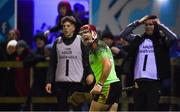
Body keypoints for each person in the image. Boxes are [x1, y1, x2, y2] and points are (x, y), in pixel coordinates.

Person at [119, 15, 177, 110]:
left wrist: (160, 25)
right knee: (137, 108)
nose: (148, 26)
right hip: (138, 81)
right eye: (146, 25)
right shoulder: (138, 39)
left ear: (156, 26)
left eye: (151, 24)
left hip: (154, 82)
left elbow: (173, 38)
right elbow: (124, 34)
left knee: (152, 109)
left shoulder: (161, 41)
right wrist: (138, 22)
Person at [45, 16, 94, 111]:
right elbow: (52, 64)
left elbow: (88, 59)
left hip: (77, 82)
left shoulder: (80, 40)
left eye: (68, 26)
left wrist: (90, 73)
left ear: (73, 28)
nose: (66, 28)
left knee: (76, 109)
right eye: (64, 26)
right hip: (60, 83)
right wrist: (49, 81)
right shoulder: (57, 42)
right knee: (62, 108)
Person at [79, 24, 121, 111]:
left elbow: (107, 65)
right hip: (112, 85)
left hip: (107, 85)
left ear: (94, 34)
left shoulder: (98, 45)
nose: (84, 35)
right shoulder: (94, 48)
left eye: (87, 32)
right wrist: (96, 85)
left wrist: (99, 84)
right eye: (82, 33)